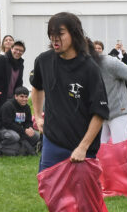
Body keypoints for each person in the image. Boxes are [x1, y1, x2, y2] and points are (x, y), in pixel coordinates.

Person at [31, 13, 109, 169]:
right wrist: (38, 116)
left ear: (74, 34)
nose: (54, 39)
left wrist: (82, 148)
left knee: (81, 194)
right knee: (50, 190)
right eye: (51, 34)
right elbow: (37, 87)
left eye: (60, 34)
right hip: (52, 143)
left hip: (81, 147)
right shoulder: (43, 61)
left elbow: (99, 113)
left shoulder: (89, 68)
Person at [0, 86, 38, 156]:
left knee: (36, 135)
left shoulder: (26, 107)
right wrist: (24, 131)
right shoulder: (8, 106)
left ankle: (23, 149)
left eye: (26, 97)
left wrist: (30, 128)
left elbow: (28, 121)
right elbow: (7, 124)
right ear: (16, 96)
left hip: (18, 129)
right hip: (3, 129)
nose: (24, 99)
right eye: (21, 96)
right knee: (15, 136)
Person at [0, 40, 25, 114]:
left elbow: (19, 82)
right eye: (16, 49)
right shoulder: (1, 60)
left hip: (11, 101)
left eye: (21, 50)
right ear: (11, 49)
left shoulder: (20, 65)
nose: (18, 52)